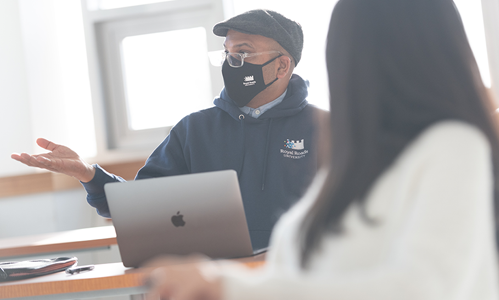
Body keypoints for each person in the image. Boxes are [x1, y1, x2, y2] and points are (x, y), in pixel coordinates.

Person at [141, 0, 499, 299]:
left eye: (345, 53)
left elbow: (422, 290)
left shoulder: (454, 147)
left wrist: (227, 285)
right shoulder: (358, 155)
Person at [10, 10, 326, 251]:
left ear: (282, 66)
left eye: (242, 53)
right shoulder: (194, 129)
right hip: (212, 283)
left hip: (300, 281)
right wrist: (88, 173)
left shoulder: (328, 129)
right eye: (227, 53)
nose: (232, 62)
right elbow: (139, 207)